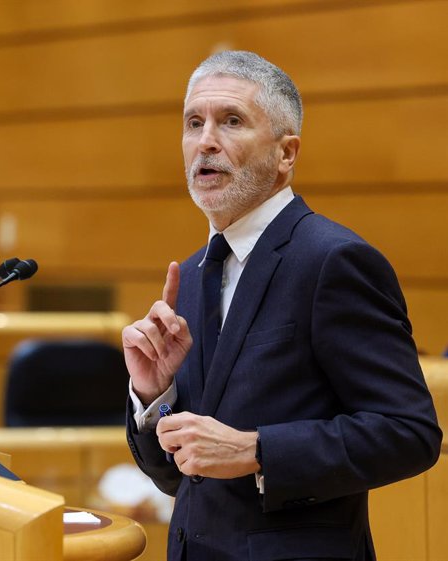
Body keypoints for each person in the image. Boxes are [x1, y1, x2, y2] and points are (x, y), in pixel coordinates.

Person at [122, 50, 442, 561]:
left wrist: (257, 450)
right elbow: (178, 475)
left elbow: (409, 434)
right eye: (194, 123)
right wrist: (154, 393)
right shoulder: (191, 275)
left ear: (285, 154)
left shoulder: (333, 261)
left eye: (231, 121)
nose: (205, 141)